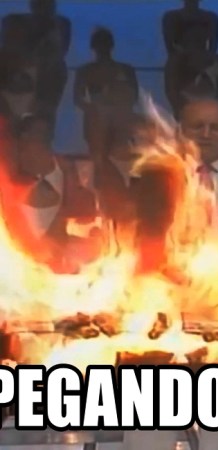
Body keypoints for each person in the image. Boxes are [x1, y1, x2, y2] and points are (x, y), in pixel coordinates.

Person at [123, 98, 218, 450]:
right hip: (161, 307)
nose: (206, 134)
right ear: (180, 131)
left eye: (215, 127)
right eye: (197, 126)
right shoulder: (148, 180)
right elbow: (129, 244)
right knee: (149, 423)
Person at [1, 114, 101, 273]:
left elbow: (83, 209)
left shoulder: (63, 166)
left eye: (45, 134)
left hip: (52, 249)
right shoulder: (11, 173)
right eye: (36, 134)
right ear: (22, 139)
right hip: (31, 252)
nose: (41, 138)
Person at [73, 27, 139, 162]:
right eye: (100, 43)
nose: (102, 47)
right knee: (100, 158)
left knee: (120, 157)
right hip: (97, 121)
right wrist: (94, 110)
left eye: (105, 43)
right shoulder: (85, 71)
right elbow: (78, 99)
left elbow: (134, 96)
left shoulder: (126, 70)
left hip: (119, 119)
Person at [27, 0, 71, 126]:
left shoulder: (61, 23)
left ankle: (44, 134)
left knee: (47, 110)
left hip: (52, 72)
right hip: (33, 72)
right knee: (30, 110)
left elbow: (63, 48)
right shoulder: (26, 24)